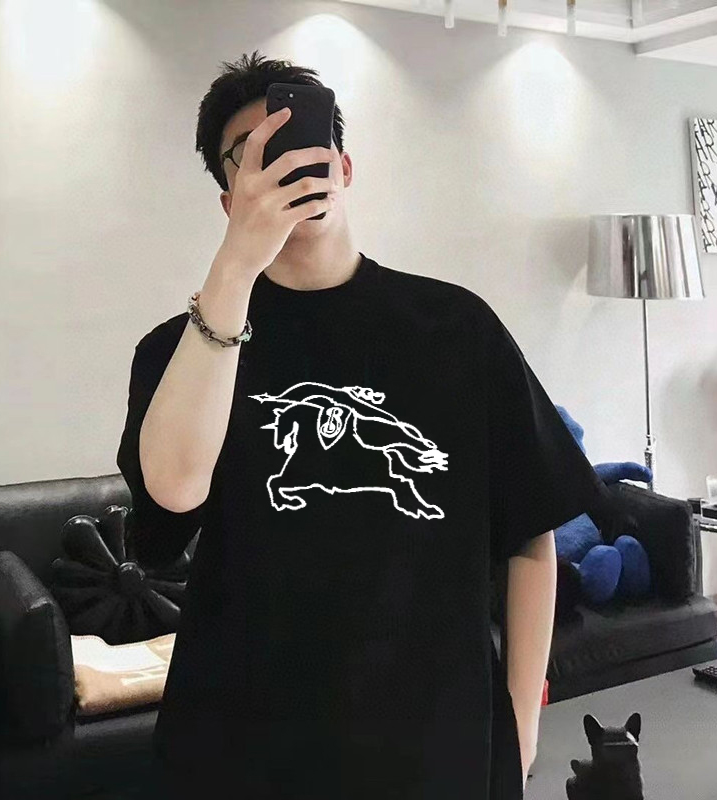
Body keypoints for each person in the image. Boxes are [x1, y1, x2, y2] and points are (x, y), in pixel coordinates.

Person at [117, 50, 612, 800]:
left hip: (434, 748)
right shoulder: (180, 352)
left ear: (344, 167)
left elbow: (529, 532)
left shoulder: (457, 328)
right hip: (238, 753)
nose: (283, 168)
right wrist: (235, 268)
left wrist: (519, 724)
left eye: (299, 142)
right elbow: (174, 491)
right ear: (227, 199)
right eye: (252, 155)